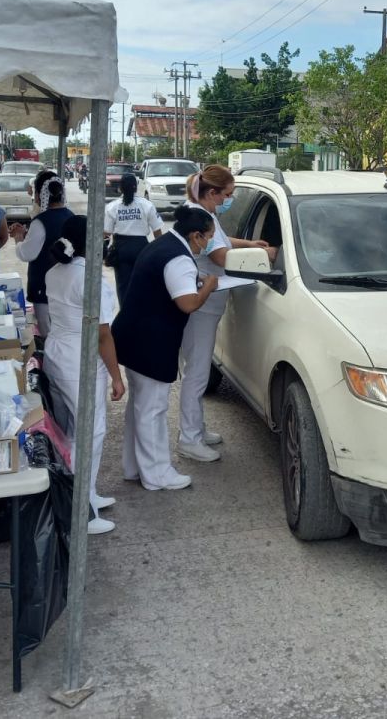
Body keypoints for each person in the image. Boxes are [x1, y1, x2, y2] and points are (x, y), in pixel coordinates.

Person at [111, 206, 218, 491]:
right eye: (207, 237)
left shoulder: (162, 243)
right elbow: (189, 303)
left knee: (140, 407)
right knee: (153, 409)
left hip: (133, 336)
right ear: (195, 235)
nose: (207, 244)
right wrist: (208, 285)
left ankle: (134, 467)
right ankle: (157, 474)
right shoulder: (179, 258)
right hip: (150, 342)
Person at [178, 165, 275, 463]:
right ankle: (189, 439)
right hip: (201, 305)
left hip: (208, 303)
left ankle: (196, 428)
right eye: (227, 194)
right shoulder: (201, 215)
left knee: (198, 367)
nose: (228, 199)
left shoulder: (202, 211)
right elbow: (219, 255)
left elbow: (221, 240)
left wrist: (249, 244)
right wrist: (265, 255)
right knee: (196, 373)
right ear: (212, 192)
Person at [43, 216, 126, 535]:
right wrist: (116, 377)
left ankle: (86, 494)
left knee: (73, 432)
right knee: (90, 433)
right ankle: (81, 513)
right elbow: (103, 336)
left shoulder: (55, 272)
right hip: (80, 363)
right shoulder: (92, 280)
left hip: (58, 355)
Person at [10, 172, 73, 337]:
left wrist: (18, 237)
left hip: (44, 287)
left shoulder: (41, 221)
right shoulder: (71, 216)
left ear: (39, 195)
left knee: (48, 335)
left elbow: (27, 253)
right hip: (67, 285)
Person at [104, 173, 163, 303]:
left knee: (123, 287)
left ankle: (125, 317)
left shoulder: (112, 207)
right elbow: (158, 232)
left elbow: (106, 233)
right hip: (142, 249)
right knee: (142, 286)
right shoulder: (147, 205)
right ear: (136, 188)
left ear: (120, 188)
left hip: (121, 250)